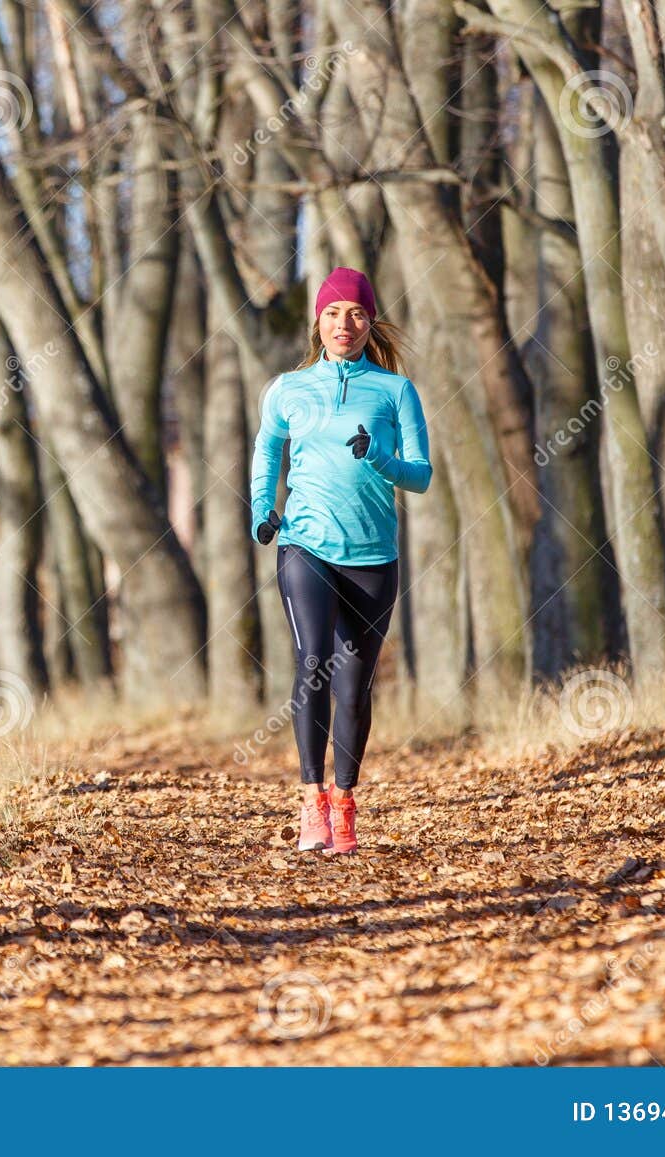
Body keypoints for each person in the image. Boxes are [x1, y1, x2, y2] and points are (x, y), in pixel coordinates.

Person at [249, 267, 432, 855]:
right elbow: (266, 453)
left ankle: (344, 802)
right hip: (304, 544)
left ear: (369, 321)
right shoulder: (288, 389)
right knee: (312, 662)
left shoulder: (396, 391)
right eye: (333, 312)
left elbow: (421, 475)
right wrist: (262, 510)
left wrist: (379, 456)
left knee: (354, 688)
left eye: (355, 312)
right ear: (317, 322)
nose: (344, 323)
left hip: (374, 554)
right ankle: (310, 802)